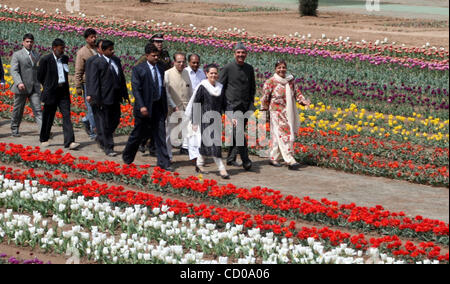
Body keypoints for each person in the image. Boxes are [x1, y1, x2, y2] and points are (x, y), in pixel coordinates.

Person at [122, 43, 172, 171]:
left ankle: (164, 163)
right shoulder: (139, 69)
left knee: (160, 134)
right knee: (139, 133)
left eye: (157, 55)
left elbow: (164, 88)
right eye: (153, 55)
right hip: (145, 107)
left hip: (158, 106)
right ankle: (128, 156)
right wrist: (142, 106)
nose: (156, 58)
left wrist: (165, 107)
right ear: (147, 55)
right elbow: (136, 90)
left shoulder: (161, 68)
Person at [261, 60, 311, 170]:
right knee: (284, 134)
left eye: (283, 67)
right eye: (279, 67)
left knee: (277, 134)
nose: (281, 69)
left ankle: (273, 157)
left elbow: (297, 94)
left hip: (287, 111)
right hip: (275, 111)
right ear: (275, 69)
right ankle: (289, 159)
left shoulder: (290, 81)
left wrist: (303, 101)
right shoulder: (271, 82)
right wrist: (264, 111)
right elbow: (265, 97)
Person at [186, 64, 229, 179]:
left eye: (215, 73)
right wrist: (195, 121)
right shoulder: (203, 86)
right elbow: (196, 103)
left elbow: (225, 103)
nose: (213, 75)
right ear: (206, 74)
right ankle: (222, 168)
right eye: (211, 73)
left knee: (207, 142)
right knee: (215, 143)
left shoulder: (220, 87)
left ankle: (199, 164)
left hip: (217, 119)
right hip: (205, 119)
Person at [86, 40, 129, 157]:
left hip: (115, 97)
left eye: (112, 48)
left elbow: (121, 78)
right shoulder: (97, 63)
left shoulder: (116, 61)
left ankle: (101, 137)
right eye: (110, 49)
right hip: (103, 98)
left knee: (115, 120)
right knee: (105, 123)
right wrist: (95, 97)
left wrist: (125, 94)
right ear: (103, 51)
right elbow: (94, 81)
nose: (112, 51)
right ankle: (108, 147)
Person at [219, 42, 256, 171]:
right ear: (234, 54)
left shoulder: (249, 68)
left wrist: (251, 104)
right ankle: (246, 160)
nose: (241, 55)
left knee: (236, 133)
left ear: (246, 54)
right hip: (231, 107)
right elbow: (220, 88)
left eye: (243, 53)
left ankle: (230, 158)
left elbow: (252, 88)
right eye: (238, 53)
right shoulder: (228, 68)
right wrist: (223, 107)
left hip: (245, 107)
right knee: (239, 132)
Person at [37, 38, 79, 150]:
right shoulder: (45, 59)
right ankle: (44, 138)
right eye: (61, 49)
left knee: (66, 116)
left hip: (63, 92)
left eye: (64, 48)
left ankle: (70, 142)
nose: (63, 51)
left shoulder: (65, 59)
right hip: (51, 92)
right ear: (54, 48)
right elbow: (39, 76)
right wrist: (48, 86)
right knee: (48, 116)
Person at [10, 33, 43, 137]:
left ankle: (43, 131)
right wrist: (19, 82)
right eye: (27, 42)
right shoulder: (17, 54)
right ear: (23, 42)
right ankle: (14, 129)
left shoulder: (36, 55)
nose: (29, 44)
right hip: (21, 87)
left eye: (31, 42)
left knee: (38, 110)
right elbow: (14, 71)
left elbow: (39, 71)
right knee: (18, 110)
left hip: (34, 87)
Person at [165, 52, 193, 159]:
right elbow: (166, 93)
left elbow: (189, 90)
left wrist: (191, 105)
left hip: (185, 108)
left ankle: (193, 156)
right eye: (179, 62)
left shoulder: (186, 73)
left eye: (183, 62)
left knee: (190, 132)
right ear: (174, 62)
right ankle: (168, 156)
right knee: (169, 133)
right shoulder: (167, 74)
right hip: (172, 109)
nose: (181, 64)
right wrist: (173, 105)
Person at [75, 28, 98, 140]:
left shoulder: (98, 49)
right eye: (91, 37)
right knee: (91, 108)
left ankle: (86, 120)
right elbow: (78, 70)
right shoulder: (82, 52)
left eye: (95, 36)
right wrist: (78, 86)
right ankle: (94, 132)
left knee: (98, 108)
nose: (94, 39)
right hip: (87, 83)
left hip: (98, 83)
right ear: (86, 39)